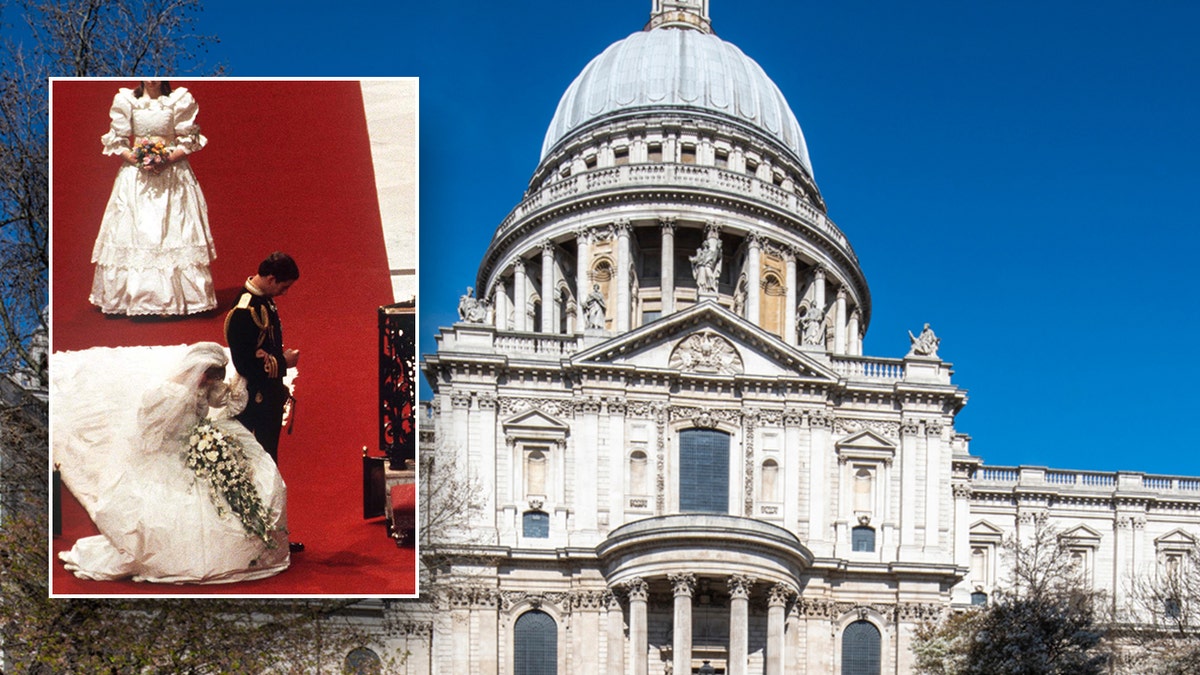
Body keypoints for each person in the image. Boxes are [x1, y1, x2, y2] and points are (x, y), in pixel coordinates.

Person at [54, 343, 289, 583]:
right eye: (213, 376)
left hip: (198, 444)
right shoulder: (167, 394)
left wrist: (240, 379)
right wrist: (186, 445)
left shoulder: (205, 387)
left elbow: (225, 402)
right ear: (200, 371)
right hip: (170, 453)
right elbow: (149, 433)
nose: (215, 382)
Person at [90, 80, 217, 316]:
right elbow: (117, 141)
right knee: (135, 230)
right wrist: (139, 160)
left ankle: (177, 302)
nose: (152, 79)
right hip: (137, 177)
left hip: (172, 174)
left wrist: (165, 159)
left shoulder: (178, 100)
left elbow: (188, 139)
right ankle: (132, 300)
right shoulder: (127, 100)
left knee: (174, 229)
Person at [225, 252, 303, 552]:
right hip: (255, 401)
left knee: (270, 468)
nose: (285, 293)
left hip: (268, 394)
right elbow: (245, 363)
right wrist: (281, 363)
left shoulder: (263, 300)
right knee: (261, 468)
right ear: (271, 279)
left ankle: (272, 534)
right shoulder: (245, 310)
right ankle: (259, 537)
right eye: (284, 286)